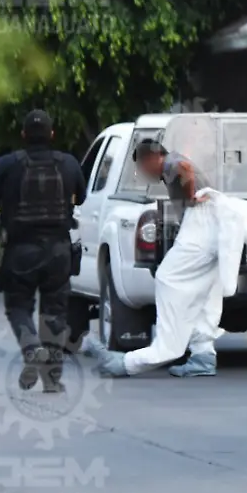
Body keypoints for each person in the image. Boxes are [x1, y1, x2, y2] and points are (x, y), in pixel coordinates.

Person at [89, 139, 224, 378]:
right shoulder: (170, 163)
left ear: (151, 158)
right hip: (209, 234)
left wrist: (191, 198)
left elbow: (185, 169)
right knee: (202, 296)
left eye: (141, 166)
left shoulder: (171, 163)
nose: (142, 173)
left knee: (166, 278)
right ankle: (204, 357)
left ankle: (133, 360)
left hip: (201, 233)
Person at [0, 110, 86, 393]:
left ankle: (30, 349)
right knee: (55, 313)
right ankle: (52, 380)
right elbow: (82, 196)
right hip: (58, 251)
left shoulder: (6, 164)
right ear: (52, 134)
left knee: (18, 306)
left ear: (24, 135)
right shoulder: (69, 164)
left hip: (20, 250)